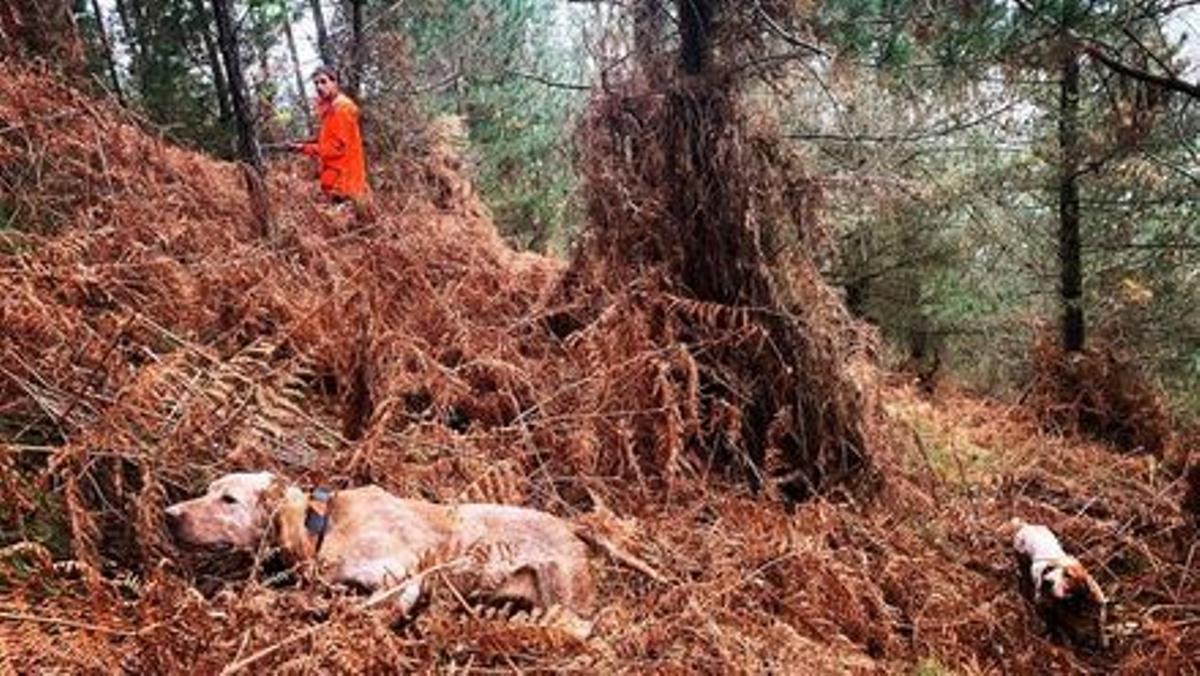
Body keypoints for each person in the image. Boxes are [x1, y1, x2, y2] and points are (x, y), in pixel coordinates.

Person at [292, 65, 367, 203]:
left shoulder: (341, 109)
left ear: (334, 82)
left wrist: (305, 148)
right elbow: (329, 140)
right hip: (336, 182)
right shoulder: (330, 109)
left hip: (344, 184)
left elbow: (335, 148)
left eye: (323, 81)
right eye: (316, 83)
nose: (319, 87)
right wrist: (305, 144)